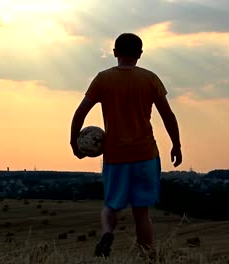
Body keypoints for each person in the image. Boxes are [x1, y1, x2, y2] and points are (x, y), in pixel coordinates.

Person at [70, 33, 182, 258]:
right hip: (146, 154)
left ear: (114, 53)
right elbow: (168, 116)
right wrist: (176, 144)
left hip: (116, 156)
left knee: (110, 206)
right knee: (141, 212)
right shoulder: (150, 79)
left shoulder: (103, 79)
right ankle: (147, 255)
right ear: (140, 54)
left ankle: (107, 233)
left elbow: (80, 112)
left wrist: (75, 143)